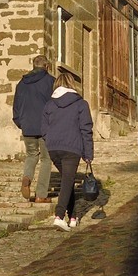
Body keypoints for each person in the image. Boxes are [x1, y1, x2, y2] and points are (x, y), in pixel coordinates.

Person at [42, 75, 94, 229]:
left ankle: (72, 216)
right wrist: (88, 154)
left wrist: (50, 140)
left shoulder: (49, 105)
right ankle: (59, 215)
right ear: (72, 85)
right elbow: (86, 130)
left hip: (53, 148)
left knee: (67, 180)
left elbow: (44, 129)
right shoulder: (81, 104)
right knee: (67, 180)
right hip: (72, 148)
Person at [12, 55, 55, 203]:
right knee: (46, 159)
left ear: (33, 66)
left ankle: (27, 177)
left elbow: (16, 106)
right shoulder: (50, 82)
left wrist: (20, 123)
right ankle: (41, 195)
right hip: (45, 127)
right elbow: (54, 105)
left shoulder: (21, 83)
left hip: (27, 126)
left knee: (31, 155)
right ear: (47, 66)